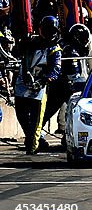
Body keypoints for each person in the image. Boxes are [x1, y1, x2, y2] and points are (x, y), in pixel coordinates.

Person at [14, 16, 61, 154]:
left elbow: (55, 70)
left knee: (36, 121)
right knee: (21, 116)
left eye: (51, 30)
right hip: (21, 85)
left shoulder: (55, 49)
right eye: (46, 30)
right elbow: (16, 53)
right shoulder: (30, 42)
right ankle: (31, 138)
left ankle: (32, 147)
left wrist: (43, 81)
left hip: (38, 89)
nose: (48, 33)